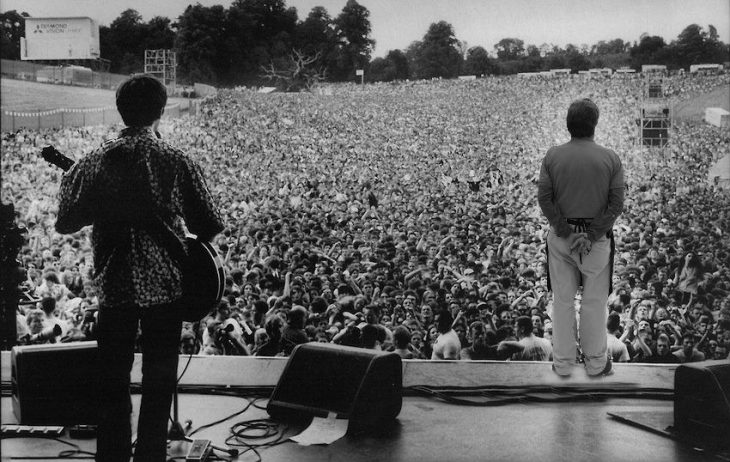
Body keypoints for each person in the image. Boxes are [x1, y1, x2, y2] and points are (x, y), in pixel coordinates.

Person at [55, 74, 224, 462]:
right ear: (160, 112)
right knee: (159, 378)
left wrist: (76, 187)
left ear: (120, 110)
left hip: (114, 289)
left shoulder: (92, 162)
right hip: (166, 289)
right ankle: (151, 455)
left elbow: (65, 222)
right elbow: (210, 223)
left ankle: (112, 455)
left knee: (112, 382)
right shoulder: (175, 160)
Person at [538, 98, 625, 378]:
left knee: (562, 301)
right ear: (594, 125)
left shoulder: (552, 156)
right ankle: (596, 364)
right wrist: (589, 235)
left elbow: (544, 198)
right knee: (594, 303)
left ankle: (563, 364)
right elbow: (615, 205)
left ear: (569, 124)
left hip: (562, 238)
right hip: (596, 240)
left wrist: (566, 231)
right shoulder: (611, 158)